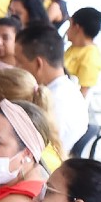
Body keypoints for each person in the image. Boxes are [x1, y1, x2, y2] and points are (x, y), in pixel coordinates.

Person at [16, 24, 89, 155]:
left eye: (19, 62)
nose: (15, 68)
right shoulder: (68, 89)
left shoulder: (54, 102)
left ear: (38, 63)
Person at [66, 7, 101, 97]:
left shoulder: (91, 56)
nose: (67, 30)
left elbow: (83, 94)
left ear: (77, 28)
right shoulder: (74, 47)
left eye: (70, 24)